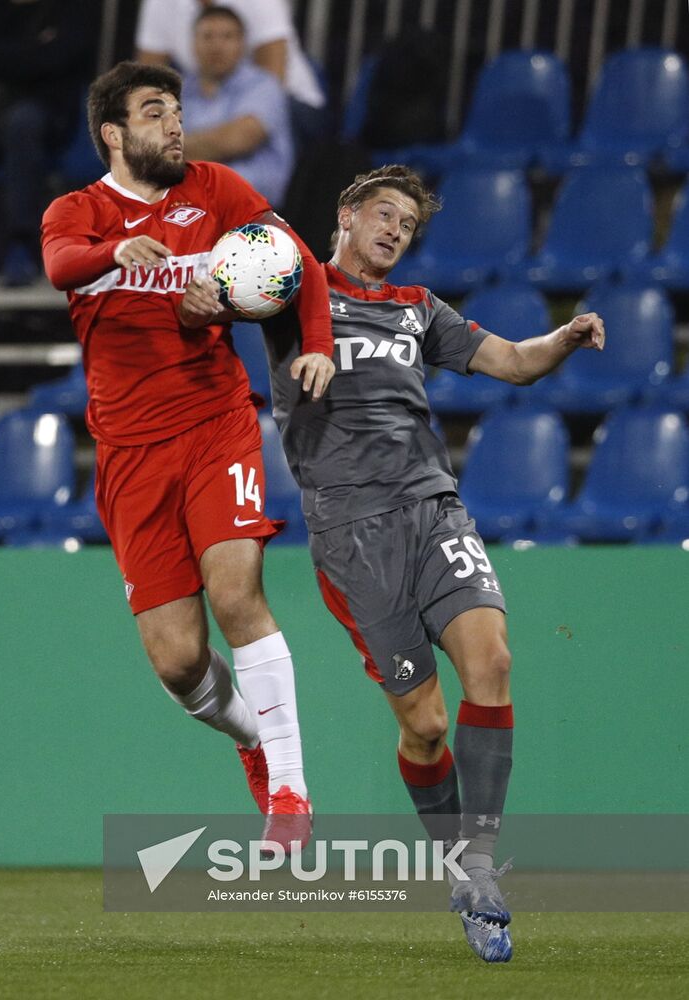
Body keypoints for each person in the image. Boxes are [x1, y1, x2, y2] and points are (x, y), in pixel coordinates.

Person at [263, 165, 605, 960]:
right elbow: (231, 288)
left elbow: (513, 362)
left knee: (491, 660)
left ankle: (478, 866)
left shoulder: (417, 310)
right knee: (425, 726)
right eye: (381, 214)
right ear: (344, 215)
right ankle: (455, 859)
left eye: (407, 225)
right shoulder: (293, 289)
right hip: (351, 534)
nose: (393, 231)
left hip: (431, 506)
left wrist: (560, 338)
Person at [40, 61, 335, 851]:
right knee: (178, 661)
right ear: (114, 133)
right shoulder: (77, 212)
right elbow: (61, 265)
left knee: (235, 594)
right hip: (130, 456)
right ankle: (252, 743)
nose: (175, 124)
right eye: (154, 112)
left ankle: (291, 791)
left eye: (176, 110)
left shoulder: (216, 190)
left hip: (214, 425)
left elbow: (296, 262)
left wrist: (314, 346)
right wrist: (116, 253)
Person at [0, 0, 100, 286]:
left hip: (49, 111)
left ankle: (20, 244)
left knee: (22, 124)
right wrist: (29, 54)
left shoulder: (76, 8)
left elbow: (62, 58)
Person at [134, 0, 327, 147]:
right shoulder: (159, 4)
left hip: (289, 100)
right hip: (207, 97)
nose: (217, 46)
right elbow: (149, 82)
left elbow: (271, 86)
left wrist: (162, 147)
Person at [181, 6, 294, 207]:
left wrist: (169, 148)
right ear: (193, 44)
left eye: (227, 37)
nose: (216, 46)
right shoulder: (178, 89)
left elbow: (237, 139)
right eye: (207, 37)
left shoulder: (263, 85)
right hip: (187, 206)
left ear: (242, 44)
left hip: (251, 213)